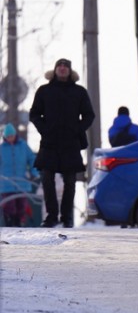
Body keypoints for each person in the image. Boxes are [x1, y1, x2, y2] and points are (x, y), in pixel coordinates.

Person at [29, 58, 95, 228]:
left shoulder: (79, 92)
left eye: (66, 66)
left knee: (70, 182)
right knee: (47, 179)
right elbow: (34, 114)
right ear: (55, 69)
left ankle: (67, 218)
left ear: (70, 71)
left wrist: (77, 129)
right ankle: (51, 216)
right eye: (60, 65)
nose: (63, 68)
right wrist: (44, 129)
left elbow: (89, 115)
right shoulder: (44, 91)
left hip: (71, 143)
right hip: (49, 142)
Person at [0, 123, 40, 227]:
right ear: (4, 137)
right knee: (9, 208)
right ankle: (10, 225)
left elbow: (32, 159)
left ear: (15, 135)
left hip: (22, 184)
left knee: (21, 208)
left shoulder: (23, 146)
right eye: (8, 137)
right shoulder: (1, 149)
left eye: (11, 136)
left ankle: (19, 226)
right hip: (6, 185)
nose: (10, 138)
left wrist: (34, 172)